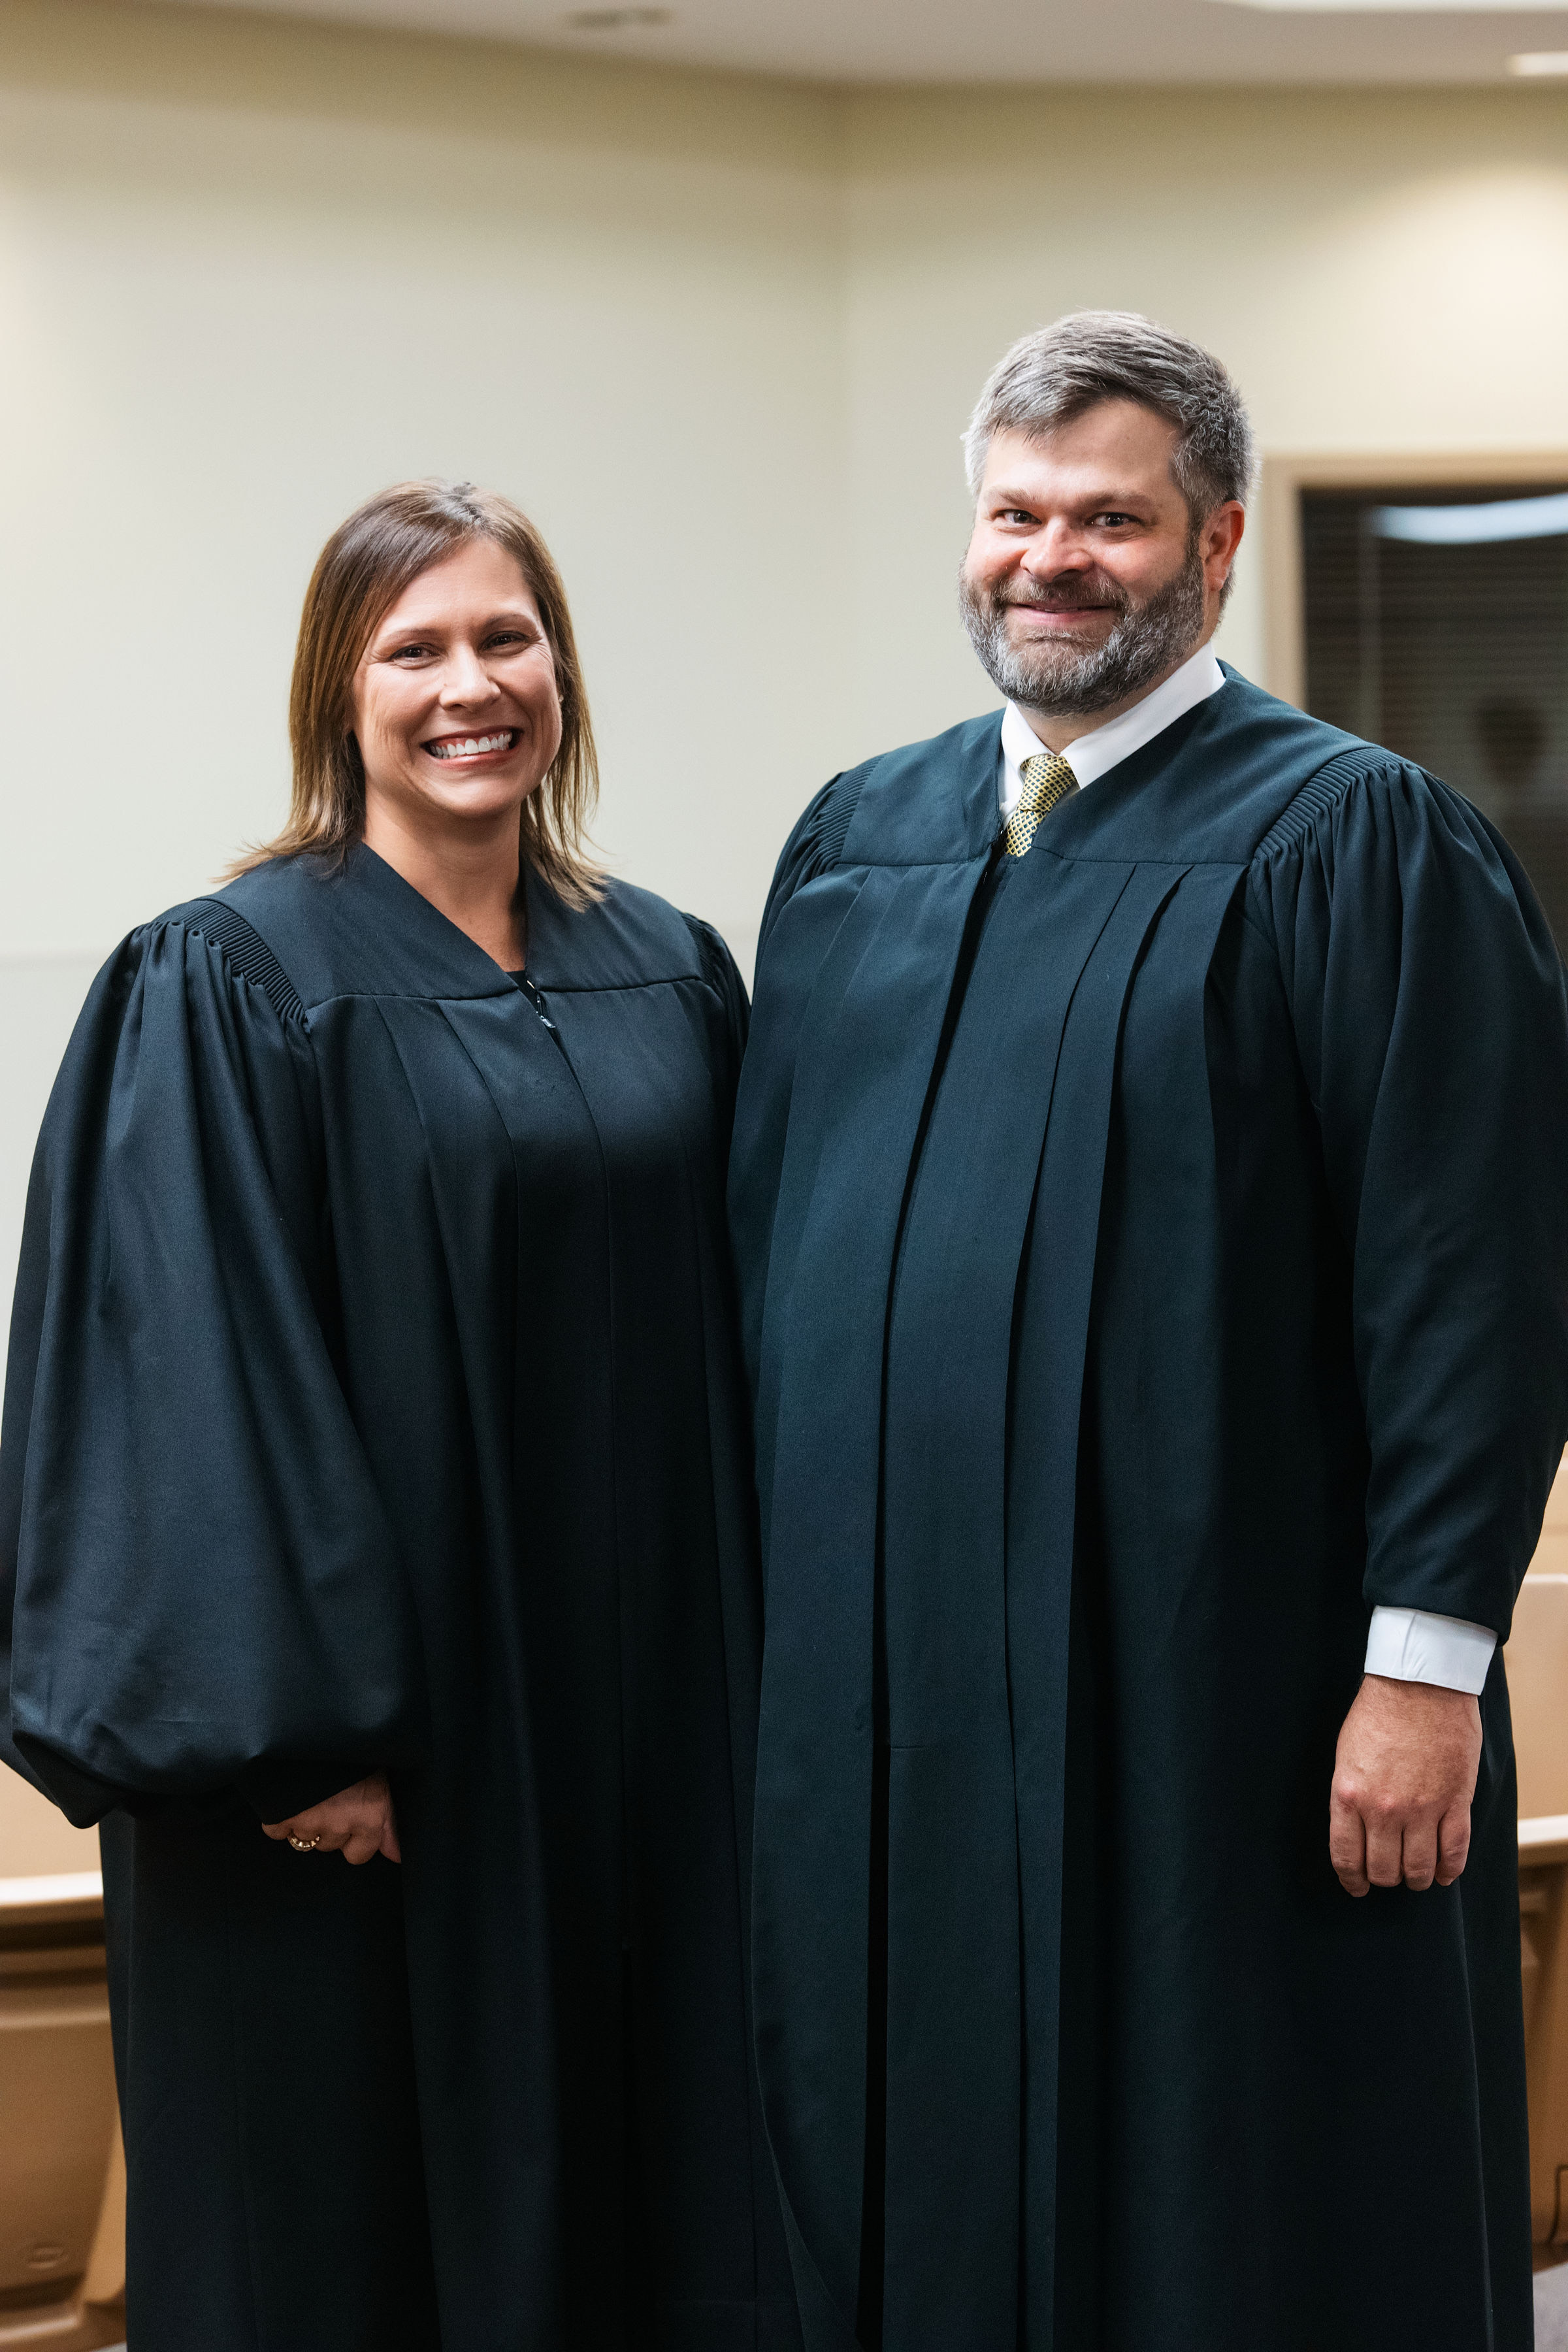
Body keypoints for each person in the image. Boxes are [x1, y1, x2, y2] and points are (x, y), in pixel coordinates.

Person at [728, 314, 1568, 2351]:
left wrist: (1426, 1673)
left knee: (1228, 2165)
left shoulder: (1357, 839)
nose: (1050, 559)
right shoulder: (860, 842)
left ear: (1214, 542)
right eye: (1014, 514)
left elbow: (1474, 1270)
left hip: (1226, 1684)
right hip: (892, 1693)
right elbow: (761, 1260)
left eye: (1109, 518)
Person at [0, 480, 798, 2351]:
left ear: (562, 672)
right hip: (369, 1780)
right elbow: (174, 1371)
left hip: (643, 1741)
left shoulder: (671, 967)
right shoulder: (228, 976)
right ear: (337, 691)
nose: (471, 685)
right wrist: (295, 1734)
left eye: (506, 638)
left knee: (654, 2186)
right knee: (359, 2226)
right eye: (417, 647)